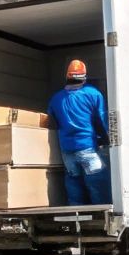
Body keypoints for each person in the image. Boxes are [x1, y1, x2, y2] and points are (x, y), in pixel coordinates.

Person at [45, 59, 113, 206]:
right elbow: (101, 119)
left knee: (74, 184)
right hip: (88, 147)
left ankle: (77, 216)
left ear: (67, 76)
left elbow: (51, 123)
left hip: (66, 150)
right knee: (97, 184)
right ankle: (100, 216)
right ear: (84, 77)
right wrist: (106, 139)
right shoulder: (93, 94)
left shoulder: (56, 99)